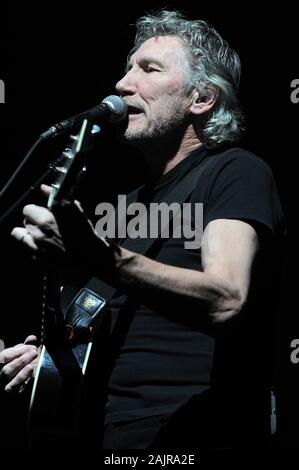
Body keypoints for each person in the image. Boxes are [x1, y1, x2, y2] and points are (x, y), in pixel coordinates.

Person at [0, 10, 285, 449]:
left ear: (202, 98)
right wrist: (50, 361)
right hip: (106, 430)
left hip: (196, 427)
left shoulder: (234, 171)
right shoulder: (126, 207)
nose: (122, 84)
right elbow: (98, 322)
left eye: (148, 69)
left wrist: (100, 256)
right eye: (127, 68)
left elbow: (227, 298)